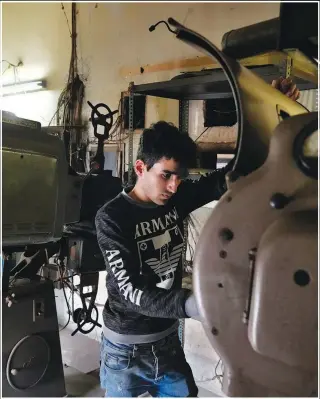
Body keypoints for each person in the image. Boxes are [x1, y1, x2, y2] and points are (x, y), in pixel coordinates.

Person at [95, 78, 300, 398]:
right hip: (126, 348)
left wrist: (272, 115)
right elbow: (132, 293)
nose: (174, 187)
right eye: (166, 175)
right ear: (140, 167)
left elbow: (235, 174)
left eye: (181, 178)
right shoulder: (112, 218)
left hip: (167, 339)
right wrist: (196, 304)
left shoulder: (176, 197)